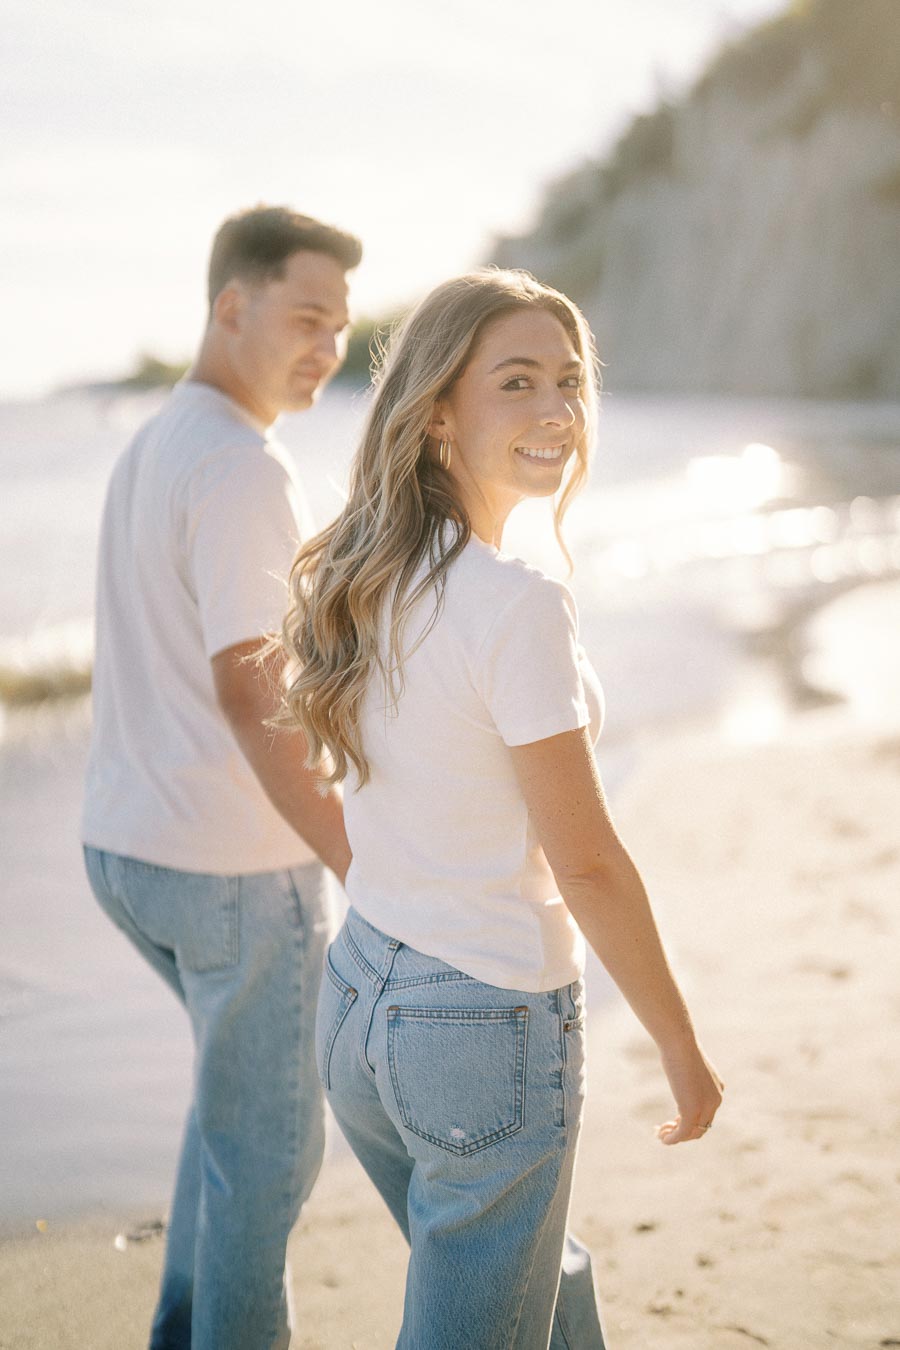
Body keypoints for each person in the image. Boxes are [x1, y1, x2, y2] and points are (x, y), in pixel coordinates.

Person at [276, 268, 724, 1349]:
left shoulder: (368, 571)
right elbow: (590, 865)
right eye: (515, 383)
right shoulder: (515, 604)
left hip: (355, 1002)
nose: (556, 411)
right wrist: (679, 1041)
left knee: (525, 1270)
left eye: (568, 382)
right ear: (438, 412)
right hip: (476, 1023)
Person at [81, 205, 362, 1350]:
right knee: (265, 1161)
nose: (328, 349)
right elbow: (257, 691)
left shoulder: (158, 440)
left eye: (341, 328)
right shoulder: (243, 467)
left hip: (127, 849)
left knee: (229, 1123)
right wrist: (361, 853)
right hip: (234, 868)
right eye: (306, 318)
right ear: (229, 307)